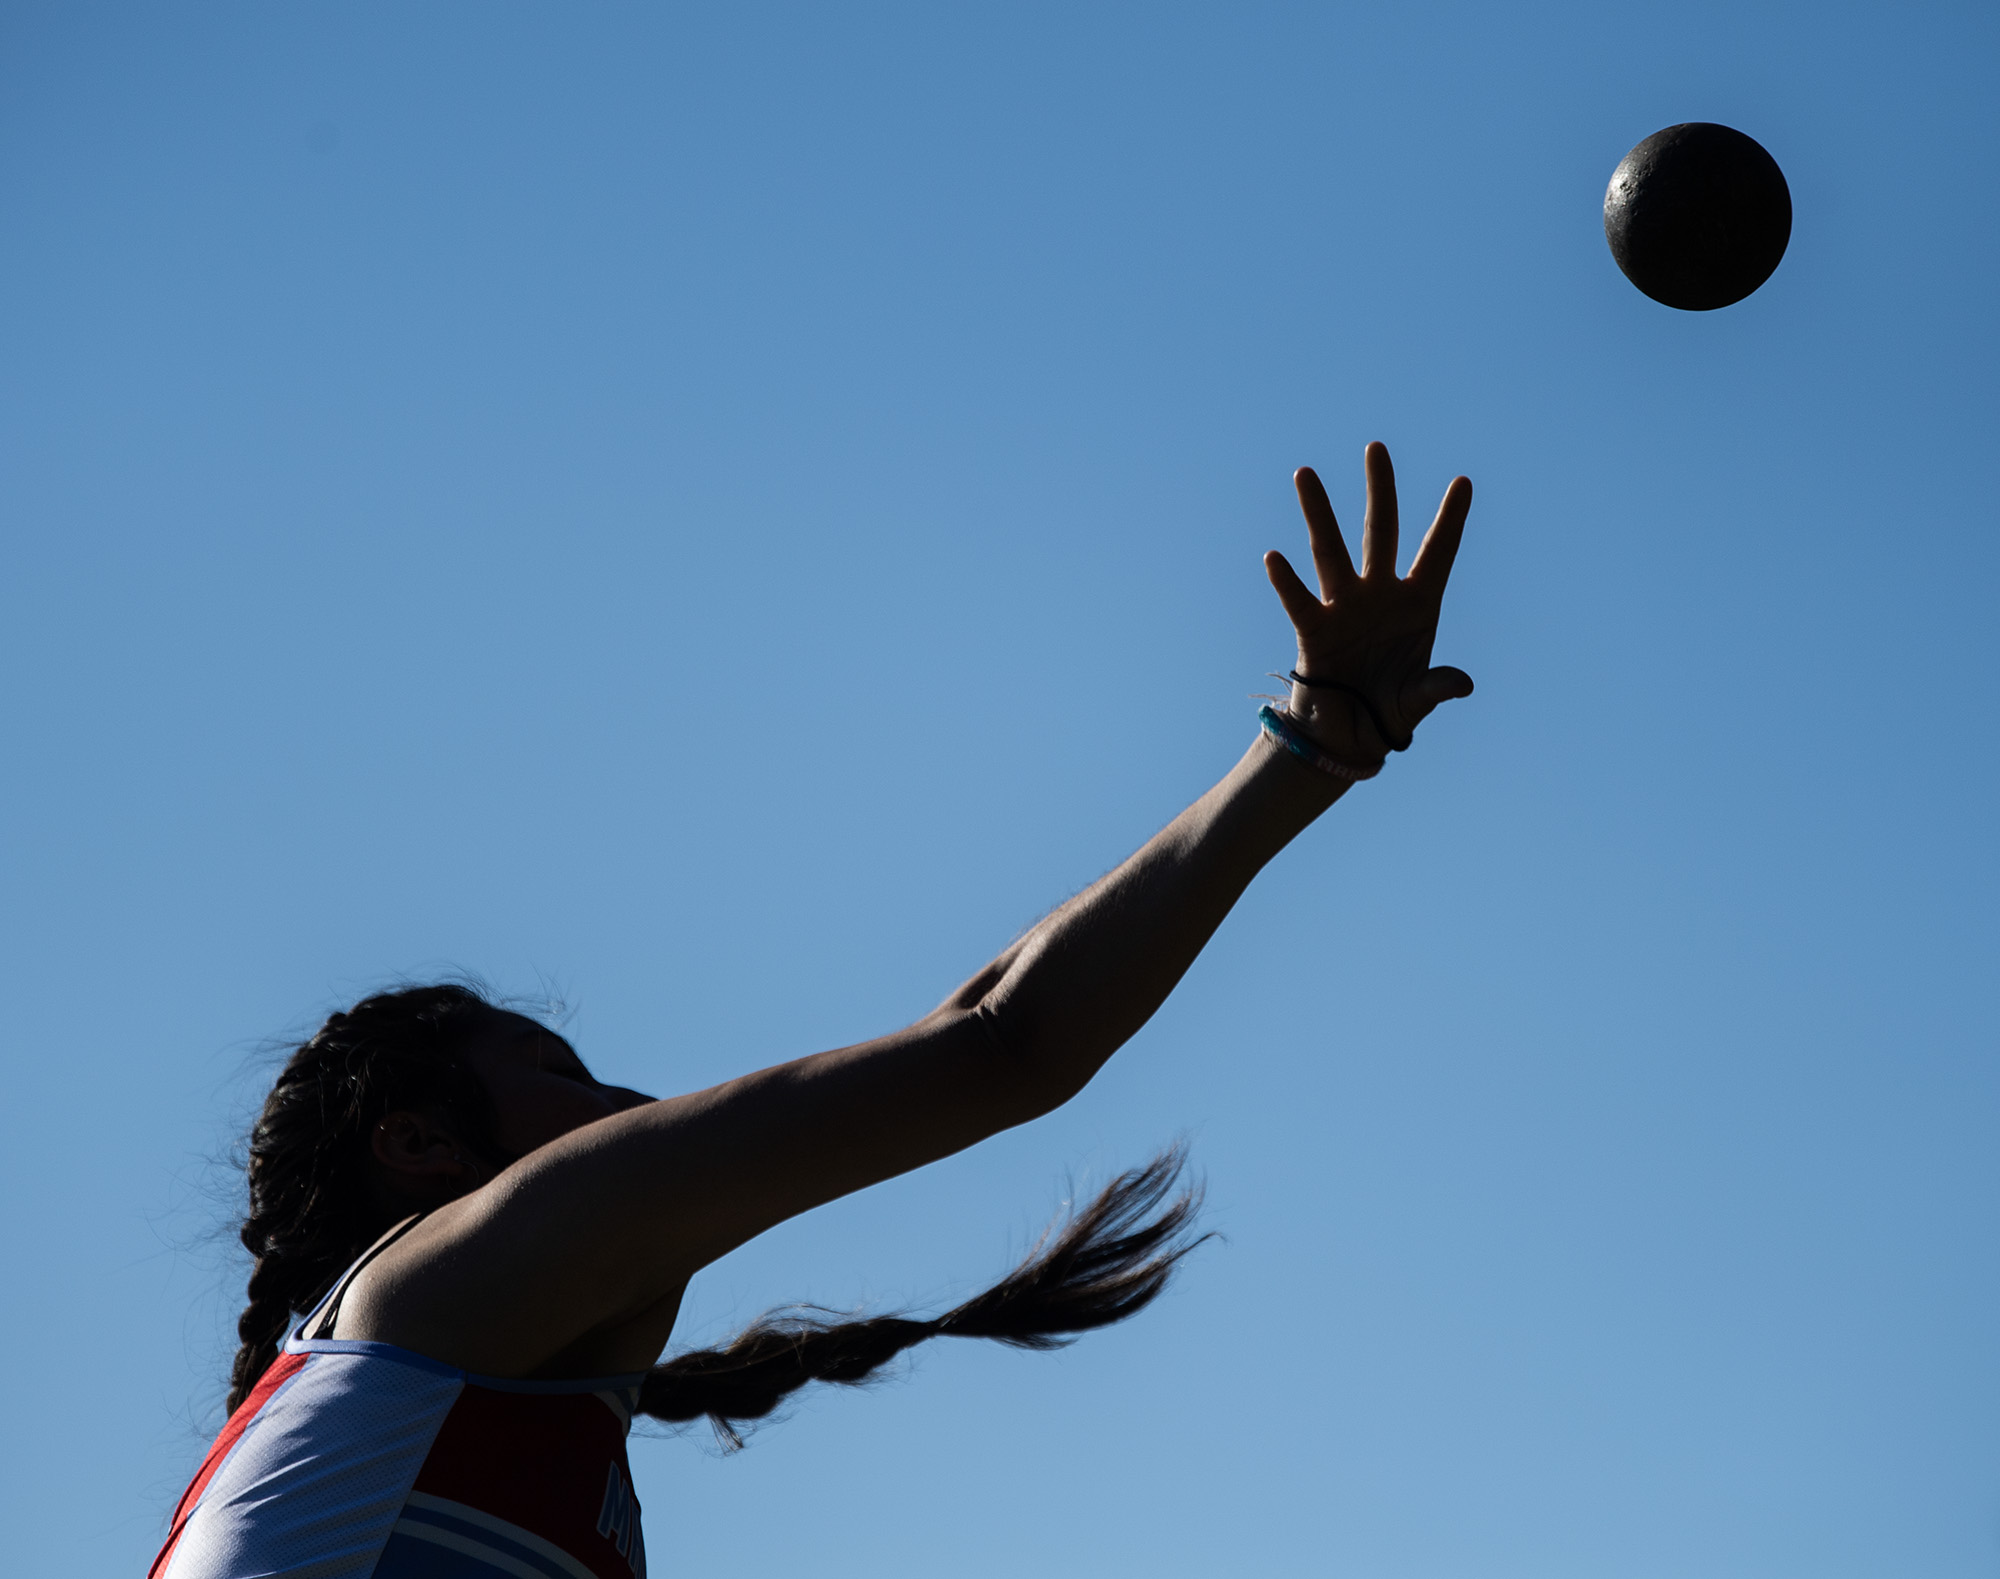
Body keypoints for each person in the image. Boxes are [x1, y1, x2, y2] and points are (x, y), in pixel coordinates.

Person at [150, 443, 1475, 1579]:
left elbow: (987, 1030)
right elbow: (1001, 1043)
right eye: (561, 1069)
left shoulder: (448, 1417)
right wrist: (1310, 740)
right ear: (423, 1146)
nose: (630, 1105)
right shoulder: (433, 1302)